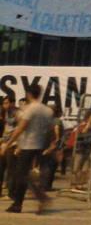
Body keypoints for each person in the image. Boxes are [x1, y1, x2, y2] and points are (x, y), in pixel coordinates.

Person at [3, 84, 53, 214]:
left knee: (21, 175)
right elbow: (50, 131)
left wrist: (8, 144)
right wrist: (51, 146)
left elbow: (21, 128)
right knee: (27, 174)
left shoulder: (30, 109)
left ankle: (21, 203)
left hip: (28, 145)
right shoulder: (47, 110)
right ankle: (31, 199)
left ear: (29, 94)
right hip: (41, 145)